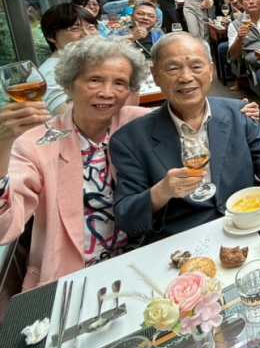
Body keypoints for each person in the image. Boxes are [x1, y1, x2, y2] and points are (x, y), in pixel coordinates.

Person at [111, 33, 260, 240]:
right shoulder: (130, 139)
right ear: (155, 75)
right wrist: (161, 191)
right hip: (184, 241)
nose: (186, 77)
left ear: (211, 71)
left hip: (248, 223)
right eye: (173, 68)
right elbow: (126, 218)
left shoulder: (239, 113)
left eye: (196, 66)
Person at [0, 37, 151, 290]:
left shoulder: (138, 123)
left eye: (119, 83)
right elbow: (3, 229)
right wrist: (3, 142)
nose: (107, 92)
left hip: (143, 260)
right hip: (73, 278)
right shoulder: (34, 144)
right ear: (68, 85)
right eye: (95, 80)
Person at [39, 4, 100, 114]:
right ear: (51, 36)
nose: (87, 34)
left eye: (91, 27)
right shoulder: (50, 72)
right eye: (74, 29)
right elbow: (70, 114)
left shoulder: (85, 62)